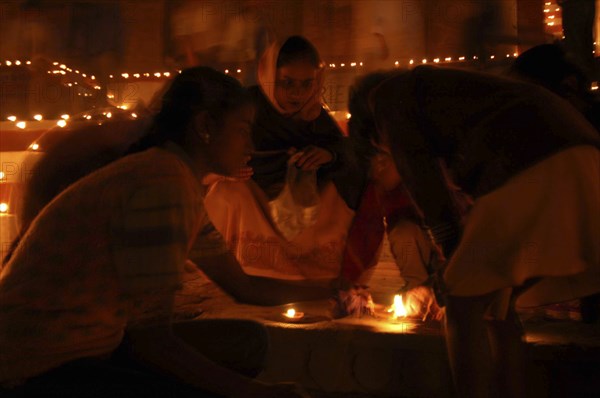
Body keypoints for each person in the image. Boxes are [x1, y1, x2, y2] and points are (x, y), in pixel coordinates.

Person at [0, 66, 330, 397]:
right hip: (41, 362)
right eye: (243, 130)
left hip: (98, 342)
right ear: (205, 127)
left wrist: (332, 288)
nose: (251, 145)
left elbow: (243, 286)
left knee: (247, 343)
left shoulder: (179, 180)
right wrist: (256, 393)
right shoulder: (162, 184)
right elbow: (152, 342)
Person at [369, 65, 600, 397]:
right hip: (582, 159)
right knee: (497, 305)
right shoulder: (452, 101)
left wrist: (448, 266)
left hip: (531, 163)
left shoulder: (390, 101)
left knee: (462, 303)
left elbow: (424, 185)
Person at [204, 36, 358, 281]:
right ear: (269, 76)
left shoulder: (314, 116)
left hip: (300, 210)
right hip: (254, 201)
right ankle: (237, 266)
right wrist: (227, 169)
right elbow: (209, 151)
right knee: (226, 193)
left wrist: (329, 155)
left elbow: (348, 153)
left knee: (339, 191)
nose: (297, 94)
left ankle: (304, 266)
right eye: (287, 83)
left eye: (306, 84)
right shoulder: (245, 106)